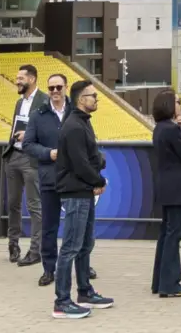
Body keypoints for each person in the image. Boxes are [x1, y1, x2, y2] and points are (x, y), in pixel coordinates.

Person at [24, 73, 99, 287]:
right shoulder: (38, 115)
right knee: (50, 225)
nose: (55, 91)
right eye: (51, 88)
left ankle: (83, 265)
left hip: (75, 180)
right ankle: (49, 269)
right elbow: (28, 144)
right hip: (50, 178)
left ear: (66, 87)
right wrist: (48, 153)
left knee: (82, 226)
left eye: (59, 87)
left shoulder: (76, 112)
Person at [53, 80, 114, 319]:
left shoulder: (82, 122)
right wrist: (99, 180)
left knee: (85, 244)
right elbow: (81, 163)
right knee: (71, 247)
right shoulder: (74, 126)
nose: (96, 99)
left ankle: (85, 292)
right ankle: (61, 301)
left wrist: (97, 168)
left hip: (83, 191)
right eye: (93, 96)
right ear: (81, 99)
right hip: (75, 193)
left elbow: (92, 156)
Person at [151, 89, 181, 298]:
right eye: (177, 101)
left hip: (165, 185)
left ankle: (159, 281)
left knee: (166, 232)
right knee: (173, 234)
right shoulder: (171, 129)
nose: (180, 105)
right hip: (176, 186)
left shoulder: (160, 128)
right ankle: (170, 283)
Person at [4, 64, 46, 266]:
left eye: (21, 78)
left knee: (34, 206)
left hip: (32, 159)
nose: (17, 81)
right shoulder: (19, 102)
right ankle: (13, 245)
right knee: (13, 204)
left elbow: (48, 130)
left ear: (32, 79)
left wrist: (28, 133)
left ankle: (35, 249)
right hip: (14, 156)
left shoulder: (45, 100)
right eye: (17, 78)